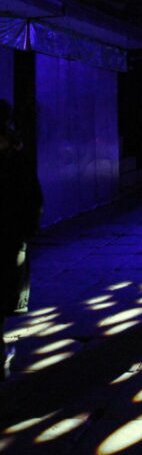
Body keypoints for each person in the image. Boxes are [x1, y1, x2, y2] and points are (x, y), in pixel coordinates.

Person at [0, 101, 42, 380]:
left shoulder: (16, 156)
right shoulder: (16, 155)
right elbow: (32, 196)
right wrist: (28, 229)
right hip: (9, 234)